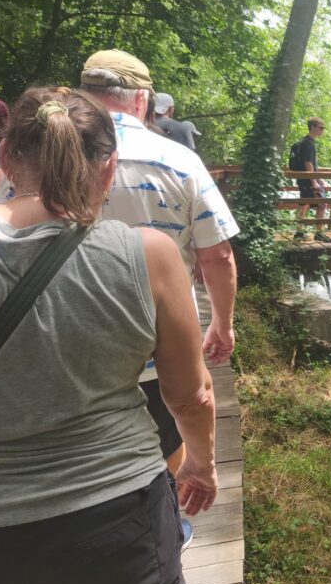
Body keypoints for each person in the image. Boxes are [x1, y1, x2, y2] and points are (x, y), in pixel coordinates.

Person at [0, 86, 217, 584]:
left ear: (5, 158)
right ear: (109, 167)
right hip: (116, 524)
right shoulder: (148, 254)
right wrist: (200, 465)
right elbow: (189, 396)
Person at [79, 50, 237, 517]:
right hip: (157, 341)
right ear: (142, 100)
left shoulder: (42, 157)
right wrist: (222, 324)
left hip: (66, 341)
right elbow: (217, 254)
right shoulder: (178, 160)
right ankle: (161, 521)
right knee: (168, 434)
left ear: (82, 96)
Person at [291, 117, 330, 243]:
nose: (322, 131)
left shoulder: (303, 141)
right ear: (312, 127)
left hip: (304, 179)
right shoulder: (308, 143)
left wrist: (319, 178)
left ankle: (299, 232)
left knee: (304, 204)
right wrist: (314, 182)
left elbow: (310, 164)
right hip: (308, 180)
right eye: (320, 128)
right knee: (322, 204)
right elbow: (308, 164)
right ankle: (318, 233)